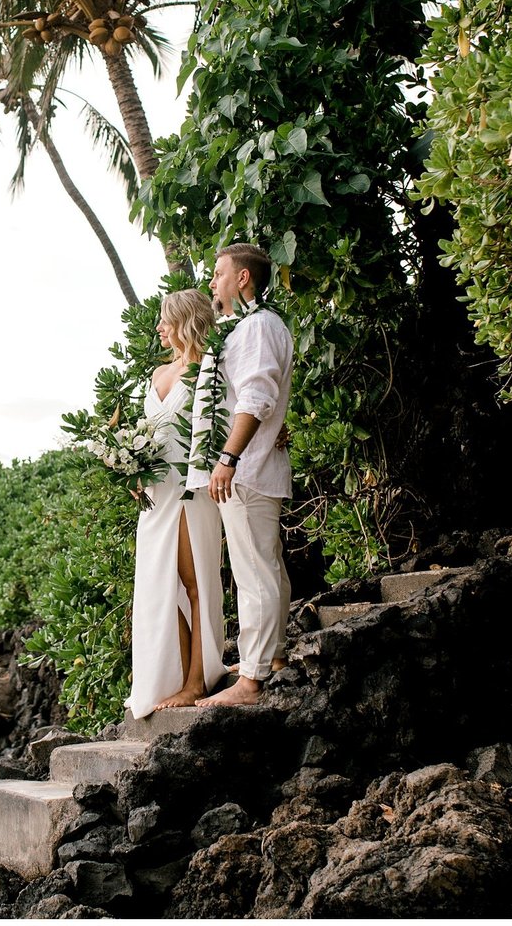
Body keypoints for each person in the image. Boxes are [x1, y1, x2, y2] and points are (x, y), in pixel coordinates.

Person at [186, 243, 294, 708]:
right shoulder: (253, 328)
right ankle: (270, 657)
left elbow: (256, 397)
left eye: (217, 273)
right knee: (264, 565)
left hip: (245, 470)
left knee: (253, 573)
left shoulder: (256, 327)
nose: (212, 282)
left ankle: (250, 682)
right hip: (252, 467)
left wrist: (227, 458)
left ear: (243, 278)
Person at [125, 289, 227, 719]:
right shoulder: (157, 373)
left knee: (193, 582)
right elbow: (146, 432)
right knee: (159, 588)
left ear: (186, 321)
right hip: (156, 494)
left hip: (190, 491)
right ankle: (176, 674)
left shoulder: (209, 369)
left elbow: (228, 421)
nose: (160, 328)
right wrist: (132, 468)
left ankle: (196, 681)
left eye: (166, 320)